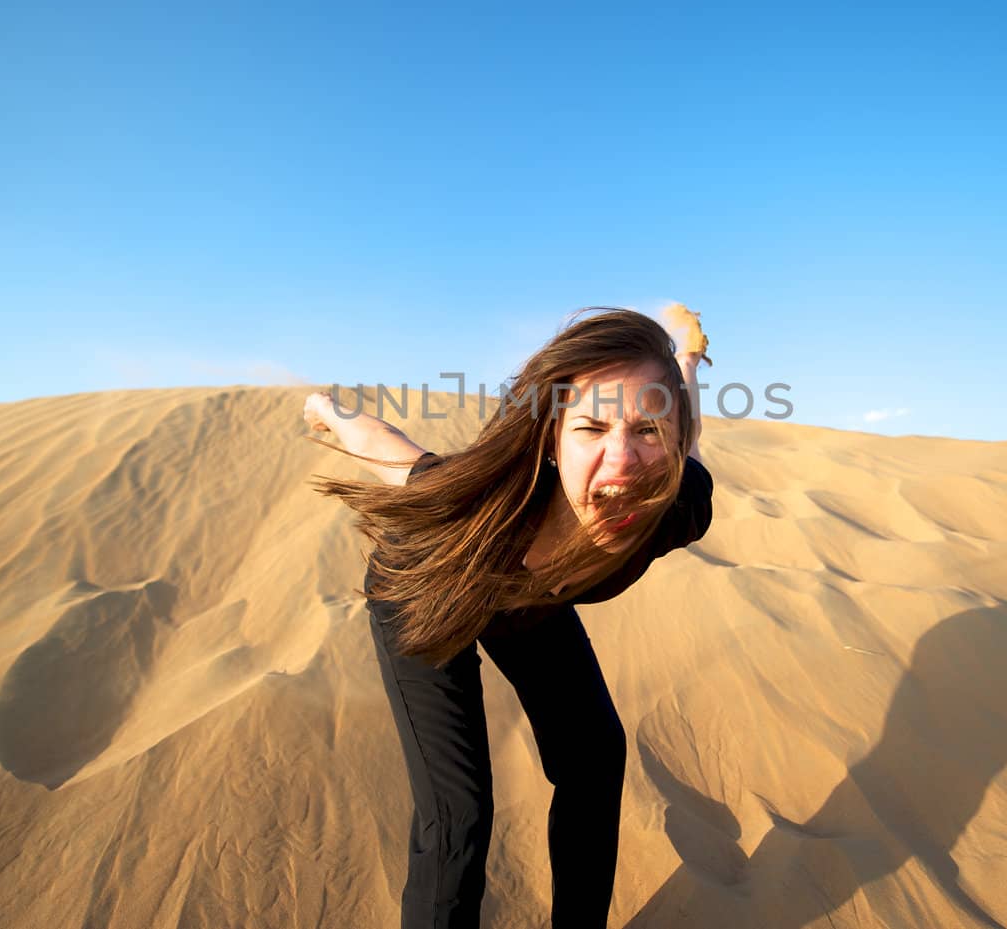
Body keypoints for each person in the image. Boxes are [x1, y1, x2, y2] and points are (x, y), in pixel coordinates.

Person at [304, 308, 715, 929]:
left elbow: (690, 421)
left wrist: (686, 355)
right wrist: (326, 410)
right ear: (551, 441)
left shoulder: (679, 503)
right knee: (458, 813)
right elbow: (390, 451)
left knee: (594, 759)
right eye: (591, 427)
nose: (623, 462)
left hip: (531, 603)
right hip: (432, 591)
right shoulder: (480, 510)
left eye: (649, 432)